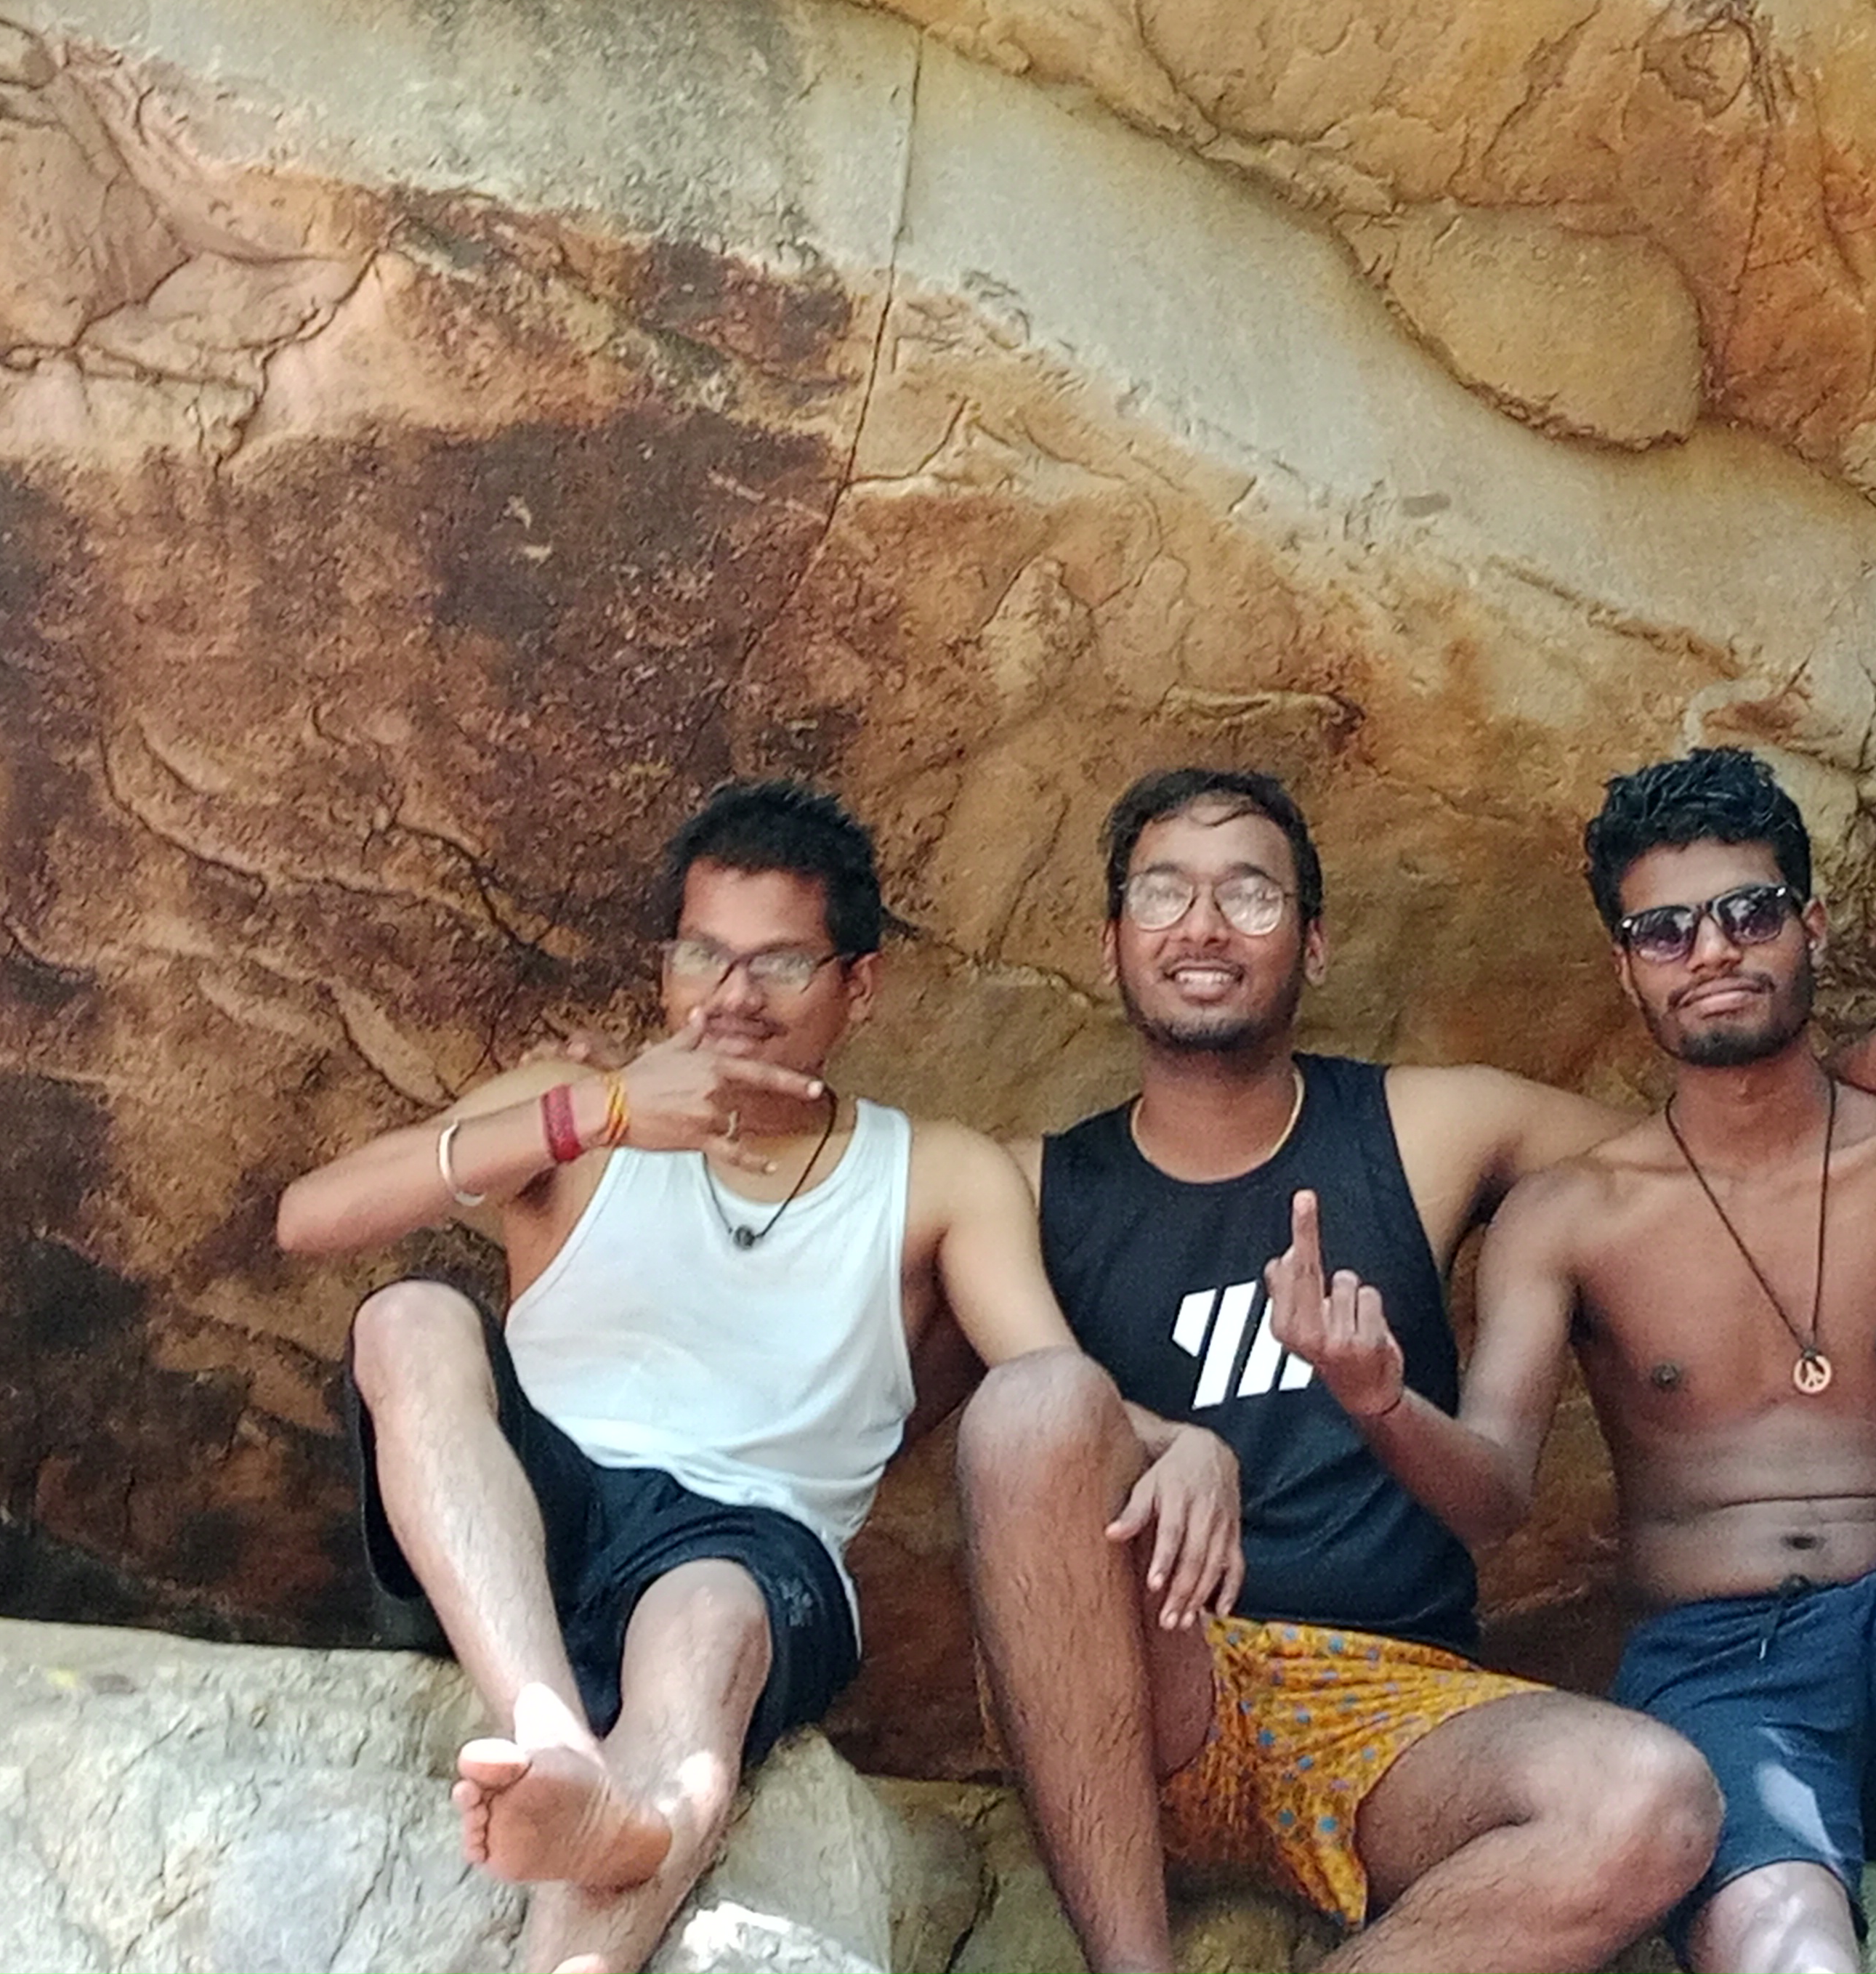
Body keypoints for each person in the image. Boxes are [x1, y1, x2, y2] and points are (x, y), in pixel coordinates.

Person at [957, 766, 1876, 1974]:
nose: (1202, 927)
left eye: (1249, 894)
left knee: (1657, 1801)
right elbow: (931, 1340)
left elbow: (1711, 1151)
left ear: (1318, 942)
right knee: (1034, 1404)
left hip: (1391, 1713)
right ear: (1108, 943)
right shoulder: (1026, 1185)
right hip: (1153, 1680)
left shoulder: (1427, 1128)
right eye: (1163, 895)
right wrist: (1167, 1440)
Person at [275, 780, 1240, 1974]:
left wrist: (1179, 1440)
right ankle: (548, 1734)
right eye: (703, 955)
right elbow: (311, 1218)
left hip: (750, 1544)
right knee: (411, 1314)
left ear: (860, 986)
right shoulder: (573, 1113)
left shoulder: (934, 1173)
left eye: (780, 965)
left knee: (711, 1620)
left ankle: (620, 1859)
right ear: (666, 965)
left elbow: (1048, 1379)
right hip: (526, 1524)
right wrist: (600, 1112)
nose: (730, 998)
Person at [1266, 746, 1876, 1974]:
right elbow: (1493, 1495)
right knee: (1793, 1959)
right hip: (1725, 1679)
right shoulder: (1573, 1213)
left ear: (1810, 925)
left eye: (1749, 911)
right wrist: (1381, 1405)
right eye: (1664, 930)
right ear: (1624, 967)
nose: (1711, 950)